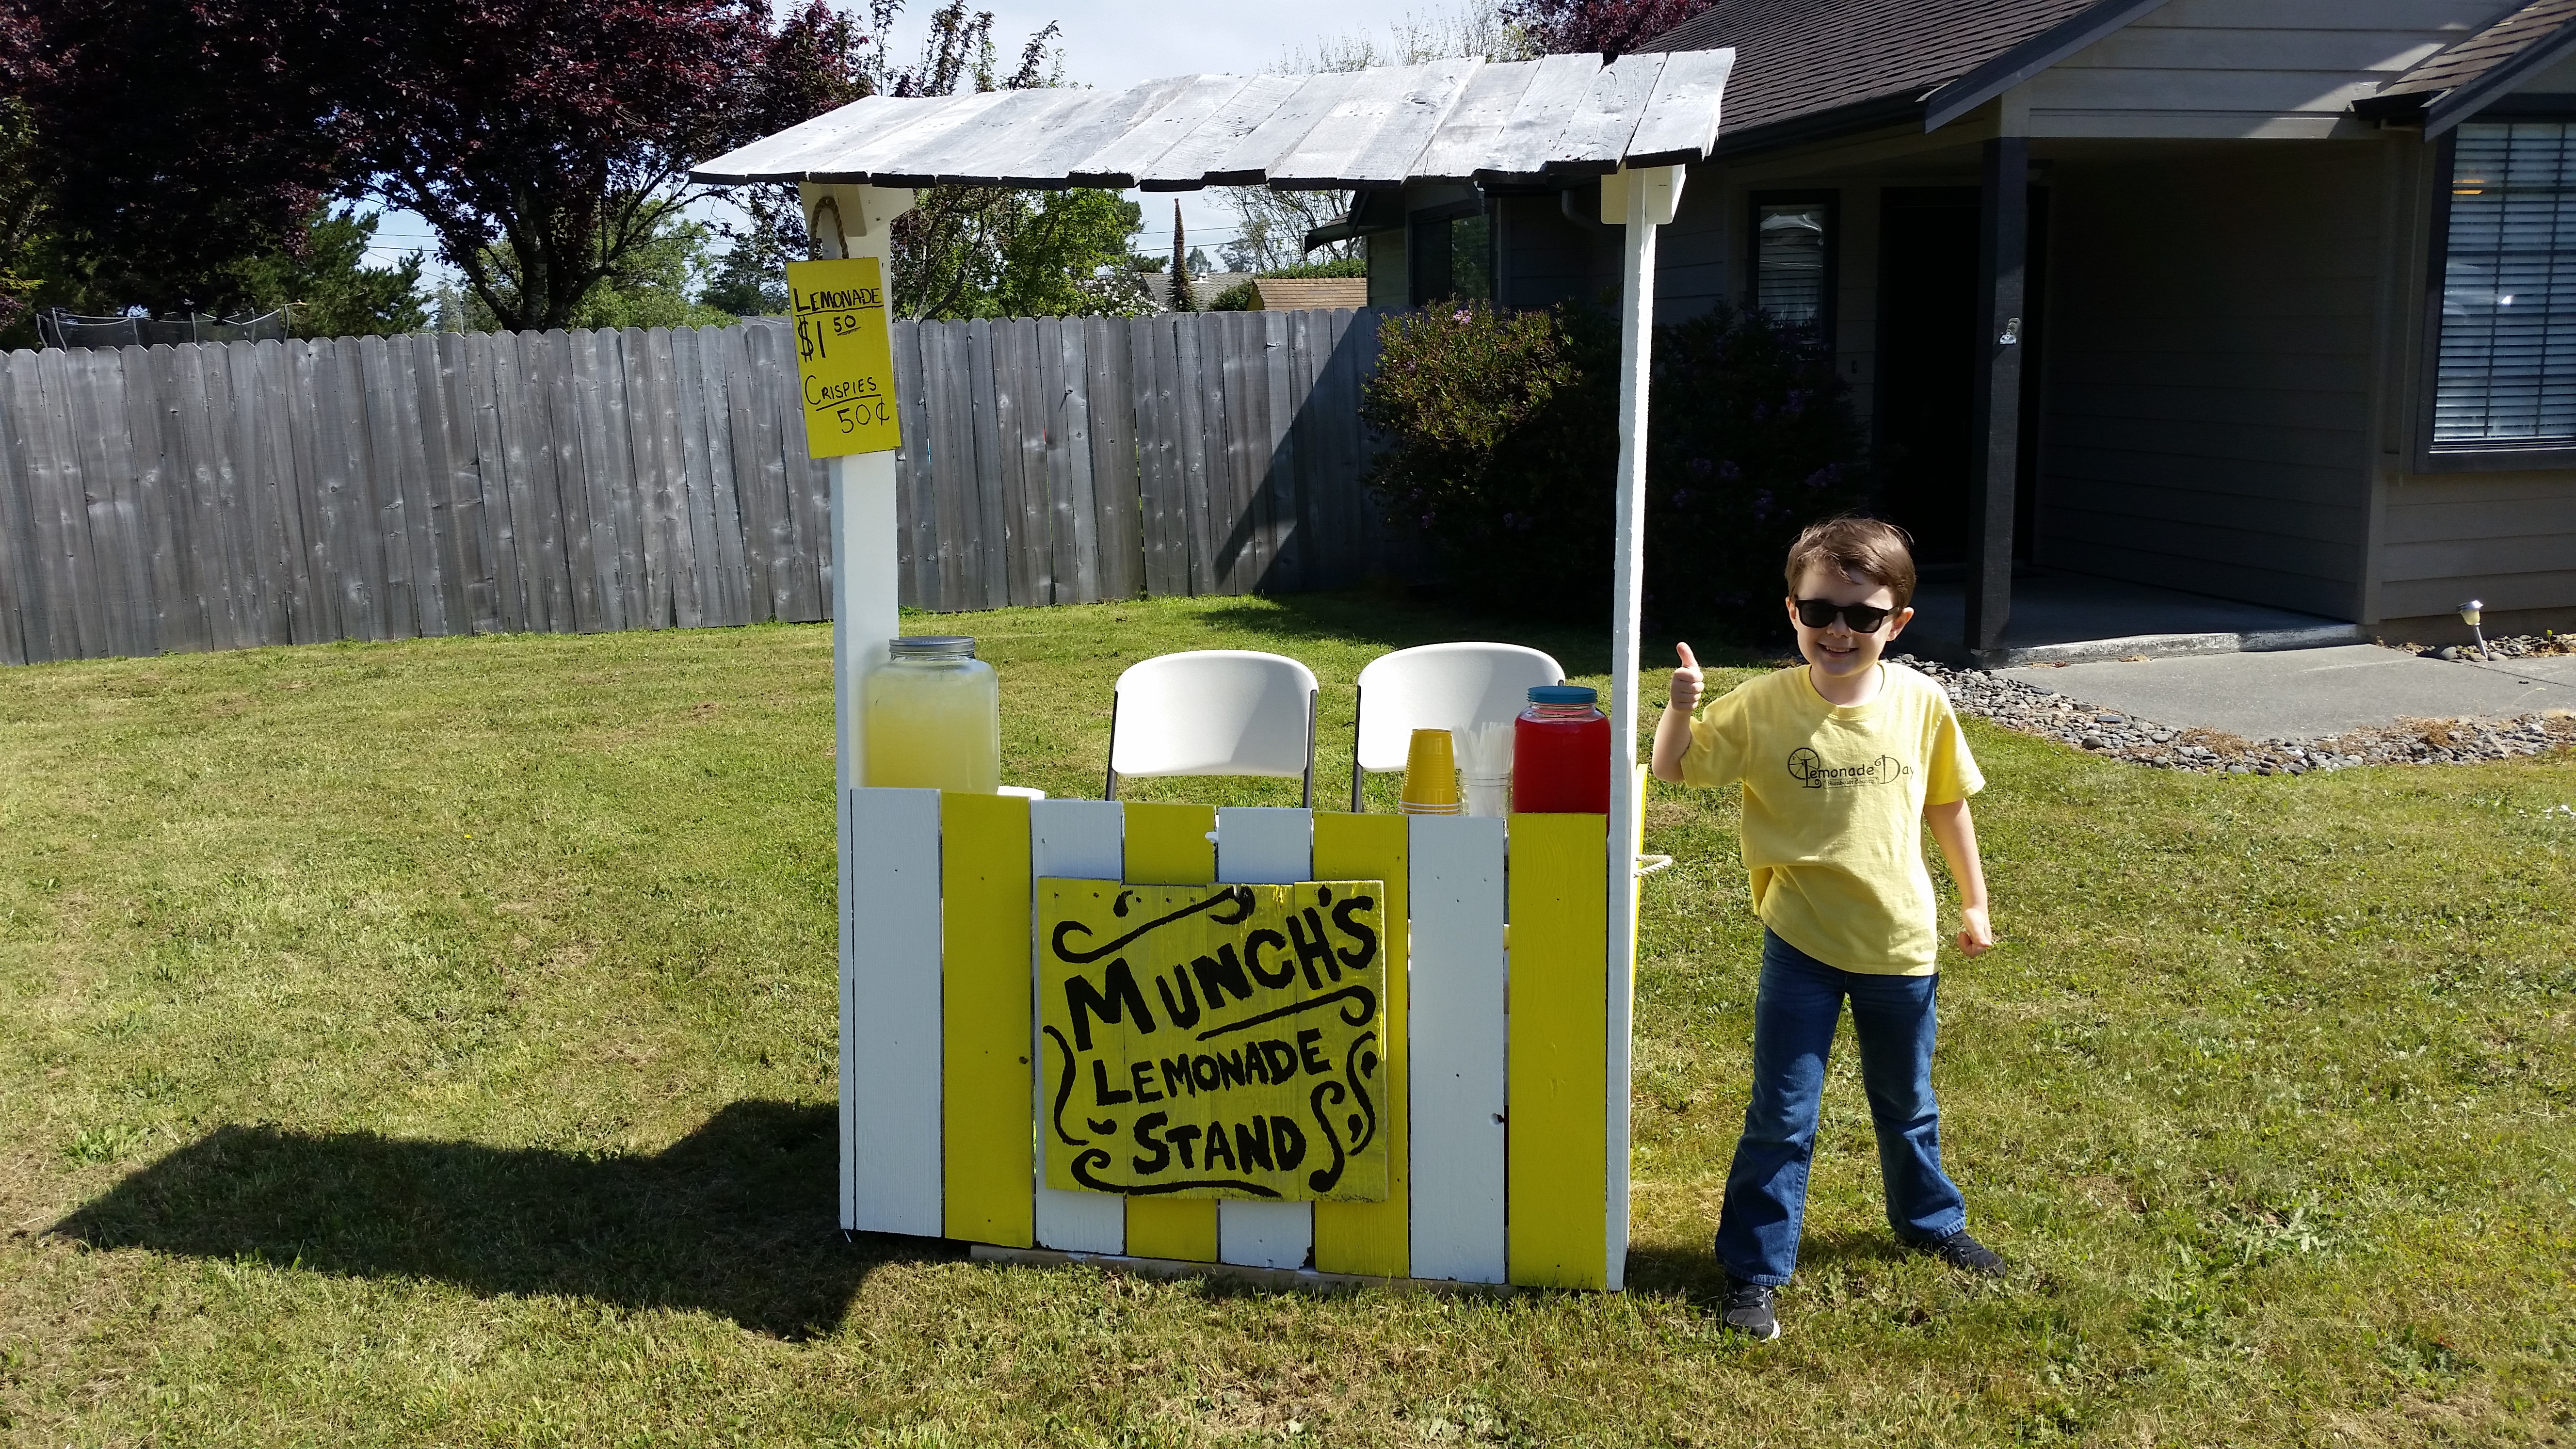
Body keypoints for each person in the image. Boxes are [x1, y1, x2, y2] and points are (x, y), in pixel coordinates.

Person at [1649, 515, 2002, 1342]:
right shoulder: (1765, 706)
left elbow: (1947, 804)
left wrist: (1975, 903)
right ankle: (1753, 1271)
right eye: (1819, 612)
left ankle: (1931, 1224)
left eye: (1863, 616)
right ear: (1793, 613)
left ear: (1898, 623)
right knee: (1782, 1113)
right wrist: (1678, 709)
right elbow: (1675, 768)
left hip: (1902, 946)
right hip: (1801, 947)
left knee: (1907, 1103)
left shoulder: (1922, 702)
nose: (1839, 631)